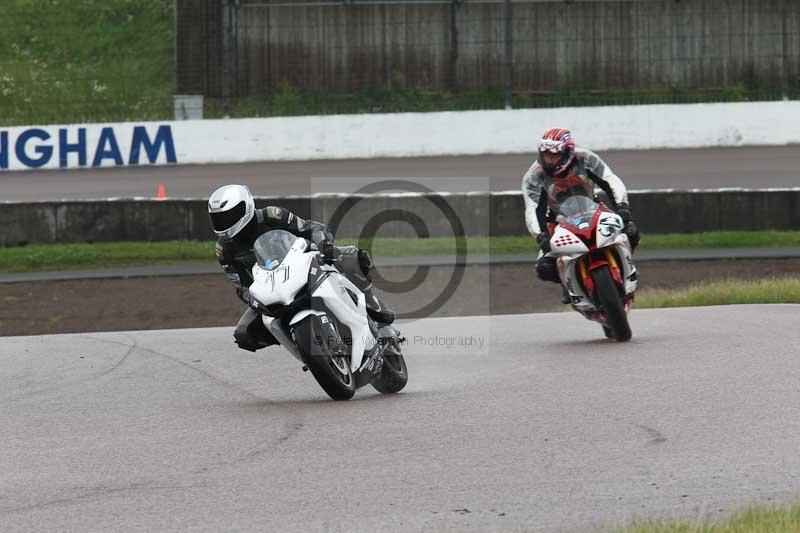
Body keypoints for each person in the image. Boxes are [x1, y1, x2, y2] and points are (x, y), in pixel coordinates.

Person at [208, 184, 395, 352]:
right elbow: (242, 285)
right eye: (219, 218)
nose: (224, 222)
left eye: (229, 215)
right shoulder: (224, 250)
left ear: (246, 207)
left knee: (353, 256)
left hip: (303, 260)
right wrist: (252, 298)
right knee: (244, 334)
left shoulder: (271, 215)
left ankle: (372, 304)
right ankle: (300, 340)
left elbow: (310, 228)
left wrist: (324, 245)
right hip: (272, 287)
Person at [522, 128, 640, 299]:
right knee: (544, 267)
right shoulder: (534, 176)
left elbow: (610, 180)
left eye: (554, 155)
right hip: (557, 222)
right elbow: (532, 209)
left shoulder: (586, 158)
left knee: (631, 232)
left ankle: (626, 265)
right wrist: (541, 237)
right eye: (545, 154)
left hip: (595, 210)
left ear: (567, 151)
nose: (548, 160)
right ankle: (568, 284)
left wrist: (623, 208)